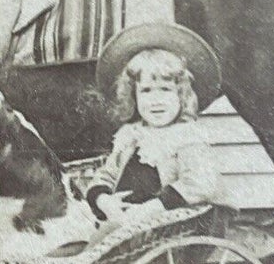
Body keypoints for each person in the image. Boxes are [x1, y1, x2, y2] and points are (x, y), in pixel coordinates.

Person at [86, 21, 225, 227]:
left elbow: (201, 183)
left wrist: (153, 207)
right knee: (81, 245)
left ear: (182, 95)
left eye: (165, 90)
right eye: (147, 91)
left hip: (168, 225)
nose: (156, 100)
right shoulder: (131, 136)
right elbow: (107, 174)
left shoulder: (186, 137)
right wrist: (104, 200)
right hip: (123, 222)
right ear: (133, 96)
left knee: (95, 247)